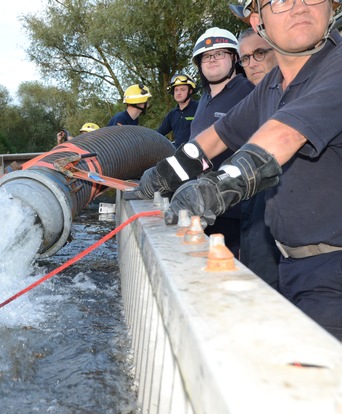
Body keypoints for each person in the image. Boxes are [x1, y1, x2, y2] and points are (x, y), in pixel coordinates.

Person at [136, 0, 342, 339]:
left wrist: (215, 188)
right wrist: (161, 177)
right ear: (257, 18)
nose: (301, 7)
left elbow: (284, 135)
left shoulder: (337, 66)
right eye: (282, 0)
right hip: (294, 265)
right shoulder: (272, 85)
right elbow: (213, 140)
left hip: (333, 274)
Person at [169, 27, 255, 258]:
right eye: (207, 56)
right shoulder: (204, 99)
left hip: (237, 210)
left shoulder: (248, 92)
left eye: (219, 54)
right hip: (203, 205)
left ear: (234, 58)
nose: (212, 60)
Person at [236, 26, 281, 290]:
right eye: (245, 58)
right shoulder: (254, 102)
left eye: (259, 53)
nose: (252, 63)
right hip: (252, 219)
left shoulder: (293, 95)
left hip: (284, 236)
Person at [156, 74, 199, 148]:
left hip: (197, 154)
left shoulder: (199, 108)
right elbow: (158, 134)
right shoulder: (172, 114)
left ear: (190, 91)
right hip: (178, 155)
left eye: (182, 89)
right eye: (176, 90)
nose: (178, 93)